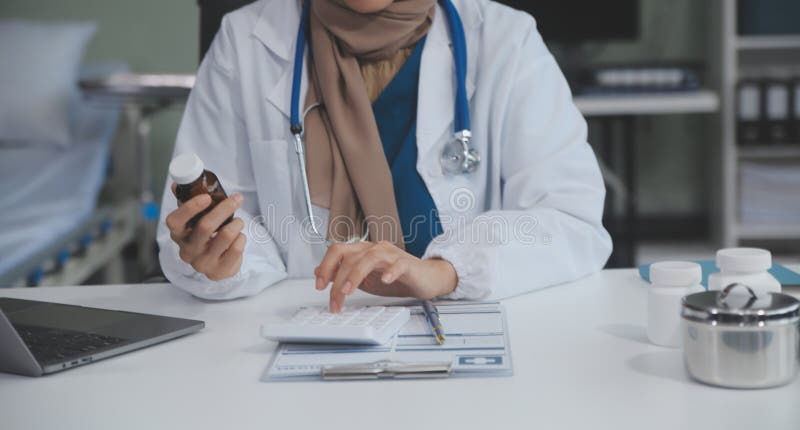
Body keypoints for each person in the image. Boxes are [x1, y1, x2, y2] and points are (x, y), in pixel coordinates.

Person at [157, 0, 612, 311]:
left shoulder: (504, 41)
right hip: (307, 337)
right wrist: (224, 261)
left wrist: (447, 271)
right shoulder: (247, 42)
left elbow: (572, 222)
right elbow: (225, 225)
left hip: (457, 338)